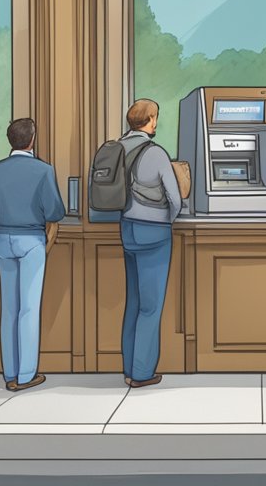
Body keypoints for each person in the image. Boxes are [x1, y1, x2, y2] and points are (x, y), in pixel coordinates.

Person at [0, 118, 66, 392]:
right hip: (31, 240)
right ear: (32, 140)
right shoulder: (43, 170)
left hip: (3, 239)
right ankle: (26, 374)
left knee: (9, 309)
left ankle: (9, 371)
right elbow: (55, 211)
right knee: (29, 309)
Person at [117, 99, 182, 389]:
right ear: (151, 120)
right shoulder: (155, 153)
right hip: (154, 234)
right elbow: (175, 198)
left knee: (133, 302)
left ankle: (129, 368)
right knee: (150, 306)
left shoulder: (117, 147)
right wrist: (170, 218)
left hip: (127, 230)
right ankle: (142, 373)